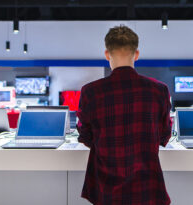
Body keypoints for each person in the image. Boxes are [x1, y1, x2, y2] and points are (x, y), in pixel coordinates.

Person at [77, 25, 172, 205]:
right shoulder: (159, 90)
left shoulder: (91, 92)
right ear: (136, 54)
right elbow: (164, 135)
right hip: (147, 188)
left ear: (107, 54)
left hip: (106, 189)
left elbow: (86, 136)